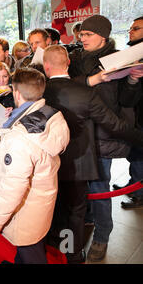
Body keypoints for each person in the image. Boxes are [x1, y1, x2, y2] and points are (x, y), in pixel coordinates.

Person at [42, 44, 143, 263]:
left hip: (47, 161)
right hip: (78, 163)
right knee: (75, 212)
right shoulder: (85, 94)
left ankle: (57, 241)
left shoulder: (40, 90)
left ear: (45, 65)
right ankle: (73, 253)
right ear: (68, 62)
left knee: (55, 205)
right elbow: (115, 125)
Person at [68, 14, 143, 262]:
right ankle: (87, 221)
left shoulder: (121, 58)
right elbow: (65, 87)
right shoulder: (76, 59)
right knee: (81, 187)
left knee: (99, 186)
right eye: (82, 34)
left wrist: (132, 80)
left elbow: (126, 102)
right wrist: (91, 80)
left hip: (102, 134)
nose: (83, 38)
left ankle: (102, 236)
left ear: (103, 36)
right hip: (78, 131)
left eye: (88, 35)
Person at [0, 68, 70, 264]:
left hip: (25, 209)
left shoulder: (20, 139)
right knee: (31, 246)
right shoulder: (51, 114)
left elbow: (13, 186)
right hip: (39, 200)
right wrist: (15, 117)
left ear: (16, 93)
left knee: (31, 252)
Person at [113, 16, 143, 209]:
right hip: (135, 112)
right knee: (135, 153)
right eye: (130, 28)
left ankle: (139, 193)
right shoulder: (132, 53)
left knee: (140, 153)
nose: (131, 31)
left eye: (136, 28)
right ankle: (133, 185)